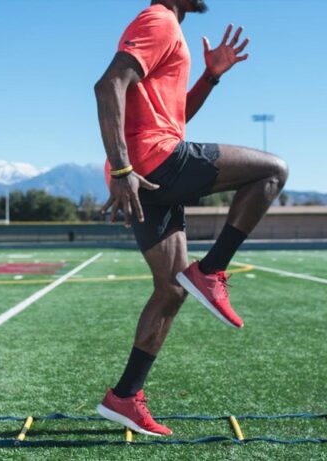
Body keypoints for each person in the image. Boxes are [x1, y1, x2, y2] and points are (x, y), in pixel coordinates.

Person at [94, 0, 288, 436]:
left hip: (145, 166)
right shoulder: (159, 20)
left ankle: (124, 396)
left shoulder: (168, 28)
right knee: (273, 171)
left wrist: (211, 76)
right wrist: (122, 168)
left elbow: (174, 116)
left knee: (171, 289)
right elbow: (108, 85)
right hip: (152, 160)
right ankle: (212, 270)